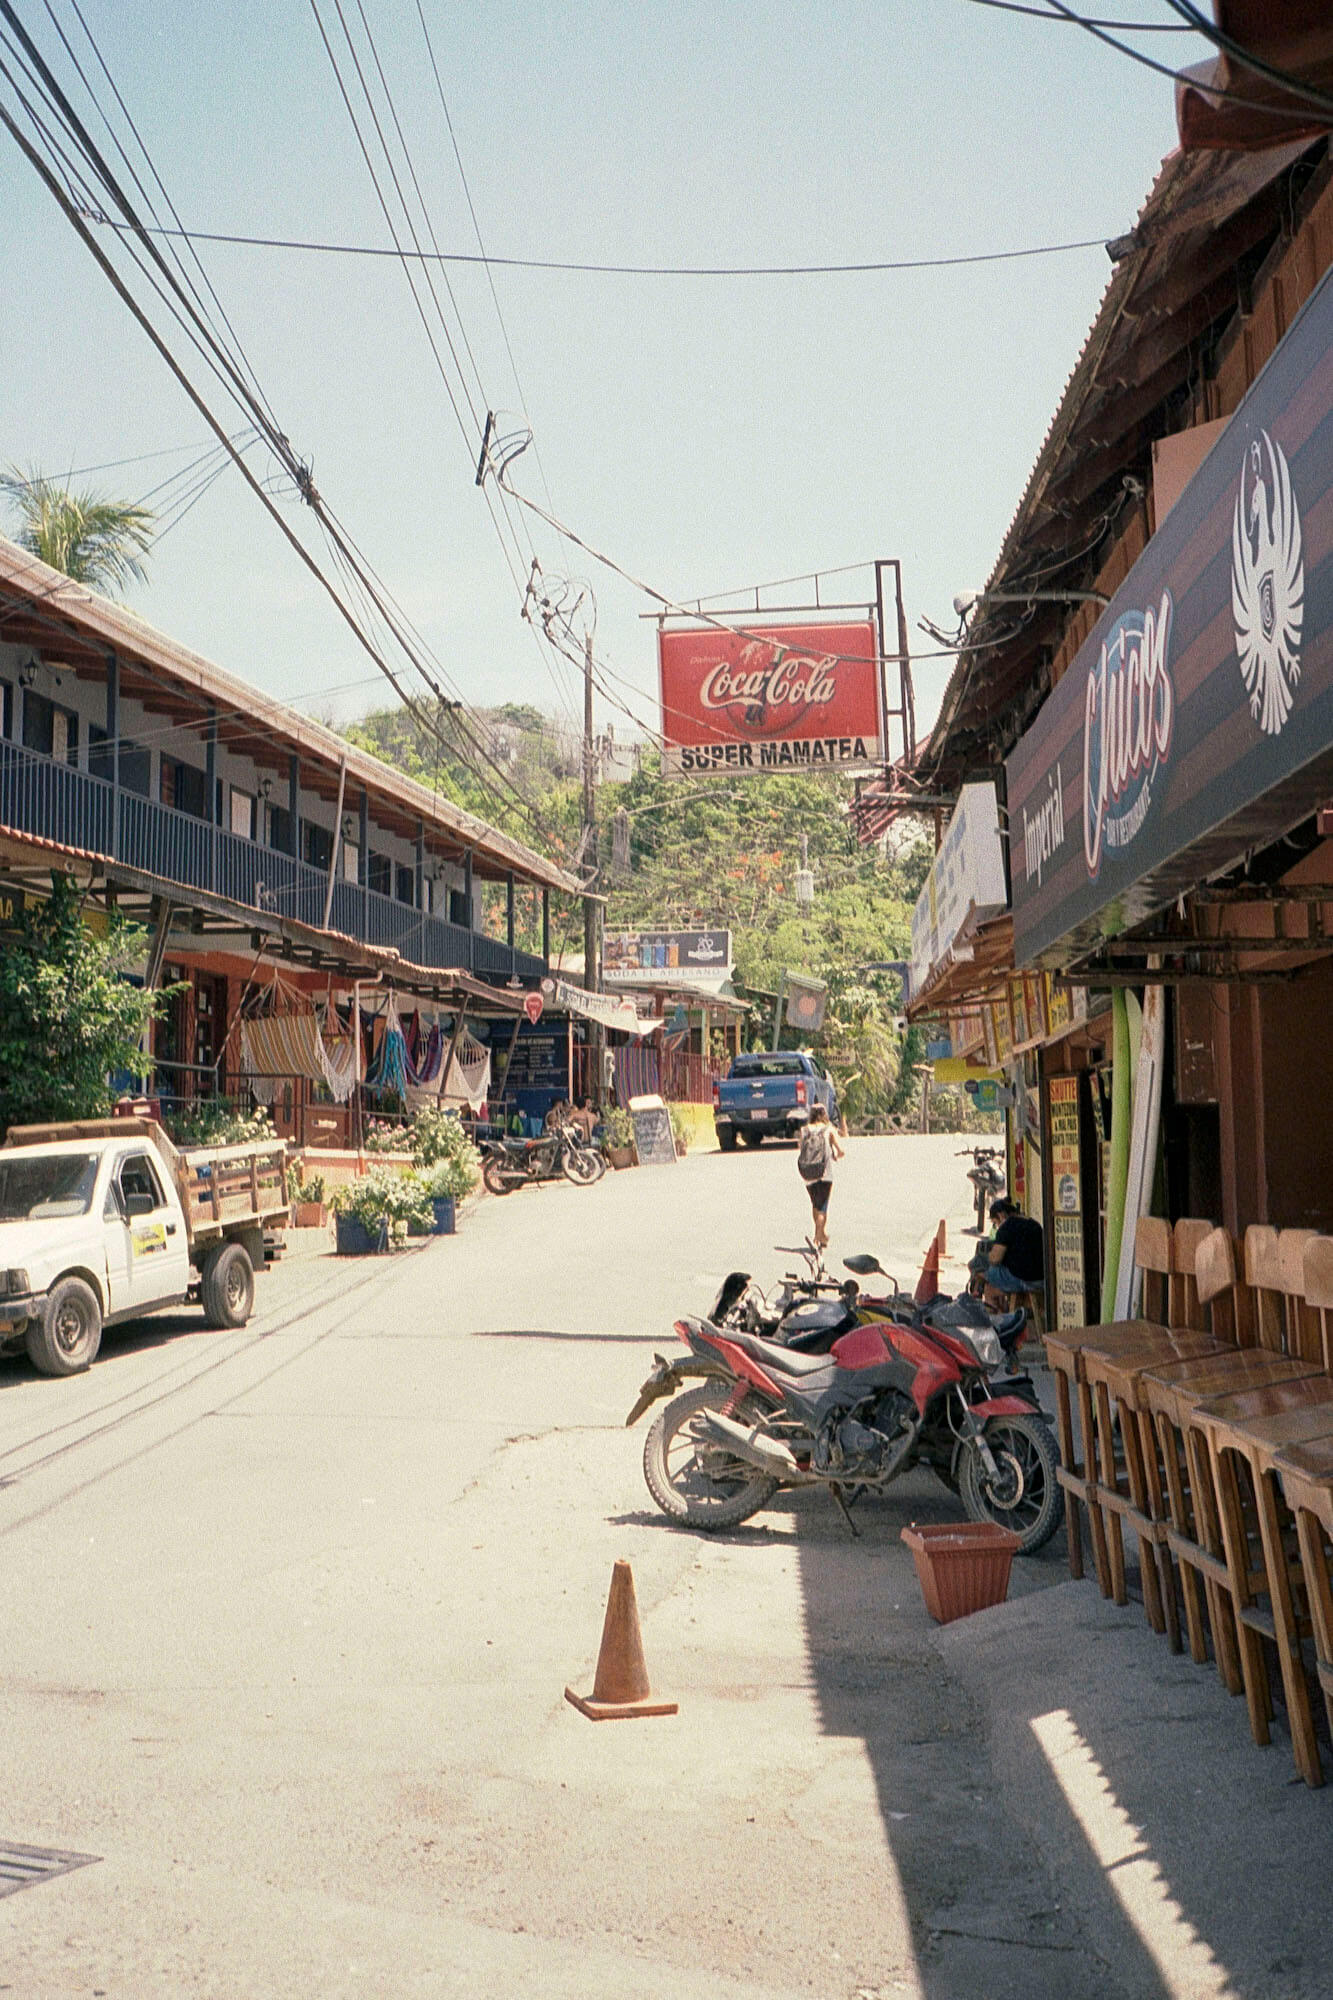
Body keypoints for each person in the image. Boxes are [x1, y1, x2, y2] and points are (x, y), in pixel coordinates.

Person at [796, 1102, 844, 1252]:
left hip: (808, 1173)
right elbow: (841, 1151)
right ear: (824, 1114)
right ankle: (818, 1235)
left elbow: (801, 1148)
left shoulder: (804, 1130)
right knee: (823, 1206)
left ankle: (821, 1234)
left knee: (815, 1204)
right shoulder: (829, 1130)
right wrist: (835, 1155)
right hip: (824, 1173)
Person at [981, 1196, 1044, 1307]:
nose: (997, 1226)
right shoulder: (1034, 1224)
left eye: (996, 1223)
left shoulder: (1006, 1227)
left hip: (1023, 1280)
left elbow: (995, 1259)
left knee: (986, 1278)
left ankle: (998, 1316)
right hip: (1041, 1279)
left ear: (1001, 1215)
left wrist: (989, 1257)